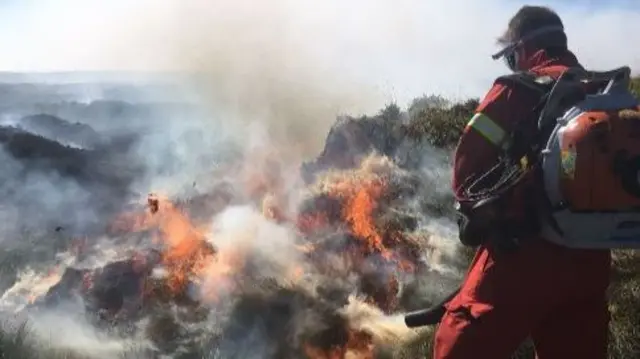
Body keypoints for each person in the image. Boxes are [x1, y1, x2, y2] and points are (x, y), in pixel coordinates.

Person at [432, 5, 612, 359]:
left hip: (525, 252)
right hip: (592, 260)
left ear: (522, 50)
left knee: (459, 341)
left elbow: (466, 174)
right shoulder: (603, 92)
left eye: (512, 58)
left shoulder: (516, 89)